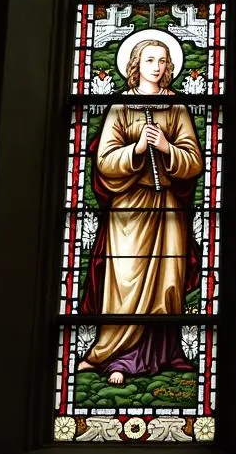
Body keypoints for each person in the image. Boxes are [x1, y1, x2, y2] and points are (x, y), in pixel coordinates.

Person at [78, 35, 203, 384]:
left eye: (163, 61)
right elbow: (104, 160)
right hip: (129, 208)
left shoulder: (176, 106)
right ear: (135, 66)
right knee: (126, 282)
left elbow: (193, 163)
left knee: (169, 282)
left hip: (168, 207)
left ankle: (164, 354)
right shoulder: (121, 106)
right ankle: (117, 355)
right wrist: (135, 150)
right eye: (150, 60)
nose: (158, 67)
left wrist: (166, 147)